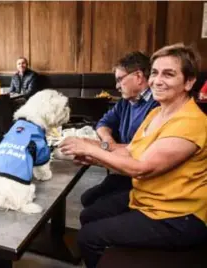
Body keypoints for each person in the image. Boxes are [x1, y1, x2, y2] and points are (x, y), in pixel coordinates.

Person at [60, 43, 207, 268]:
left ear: (189, 82)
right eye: (155, 73)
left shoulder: (191, 122)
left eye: (168, 74)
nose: (157, 80)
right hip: (146, 198)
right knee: (90, 215)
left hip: (178, 216)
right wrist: (94, 150)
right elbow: (130, 150)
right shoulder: (158, 112)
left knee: (88, 237)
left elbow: (141, 167)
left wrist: (91, 149)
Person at [80, 51, 159, 207]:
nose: (116, 86)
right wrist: (108, 142)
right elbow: (103, 123)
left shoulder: (157, 106)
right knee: (87, 199)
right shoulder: (126, 101)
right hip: (122, 169)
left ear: (138, 76)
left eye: (120, 79)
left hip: (142, 178)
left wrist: (101, 149)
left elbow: (143, 150)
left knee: (94, 207)